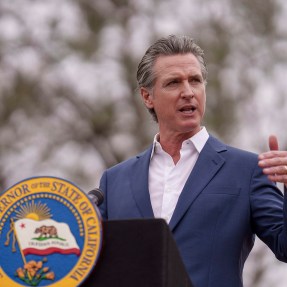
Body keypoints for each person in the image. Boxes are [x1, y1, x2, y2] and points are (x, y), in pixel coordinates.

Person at [98, 35, 287, 287]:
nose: (188, 92)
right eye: (174, 83)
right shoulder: (114, 181)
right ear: (147, 96)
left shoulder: (248, 170)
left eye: (195, 80)